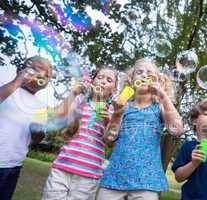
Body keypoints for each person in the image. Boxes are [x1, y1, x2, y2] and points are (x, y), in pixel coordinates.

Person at [98, 58, 184, 200]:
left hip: (147, 180)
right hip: (115, 176)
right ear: (131, 80)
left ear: (158, 82)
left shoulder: (159, 108)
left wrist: (162, 95)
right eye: (139, 72)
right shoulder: (123, 106)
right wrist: (117, 114)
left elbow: (177, 129)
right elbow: (108, 139)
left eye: (149, 73)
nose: (144, 75)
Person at [42, 68, 118, 200]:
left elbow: (111, 142)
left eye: (109, 80)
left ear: (114, 90)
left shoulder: (112, 112)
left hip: (89, 173)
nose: (103, 81)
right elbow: (56, 117)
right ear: (92, 81)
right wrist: (73, 93)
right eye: (100, 77)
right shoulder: (79, 102)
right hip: (63, 167)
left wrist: (109, 122)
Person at [0, 56, 53, 200]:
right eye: (36, 69)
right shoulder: (6, 85)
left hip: (12, 165)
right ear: (19, 70)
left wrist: (38, 132)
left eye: (47, 75)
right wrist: (17, 82)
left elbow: (37, 139)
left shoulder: (41, 107)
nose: (42, 75)